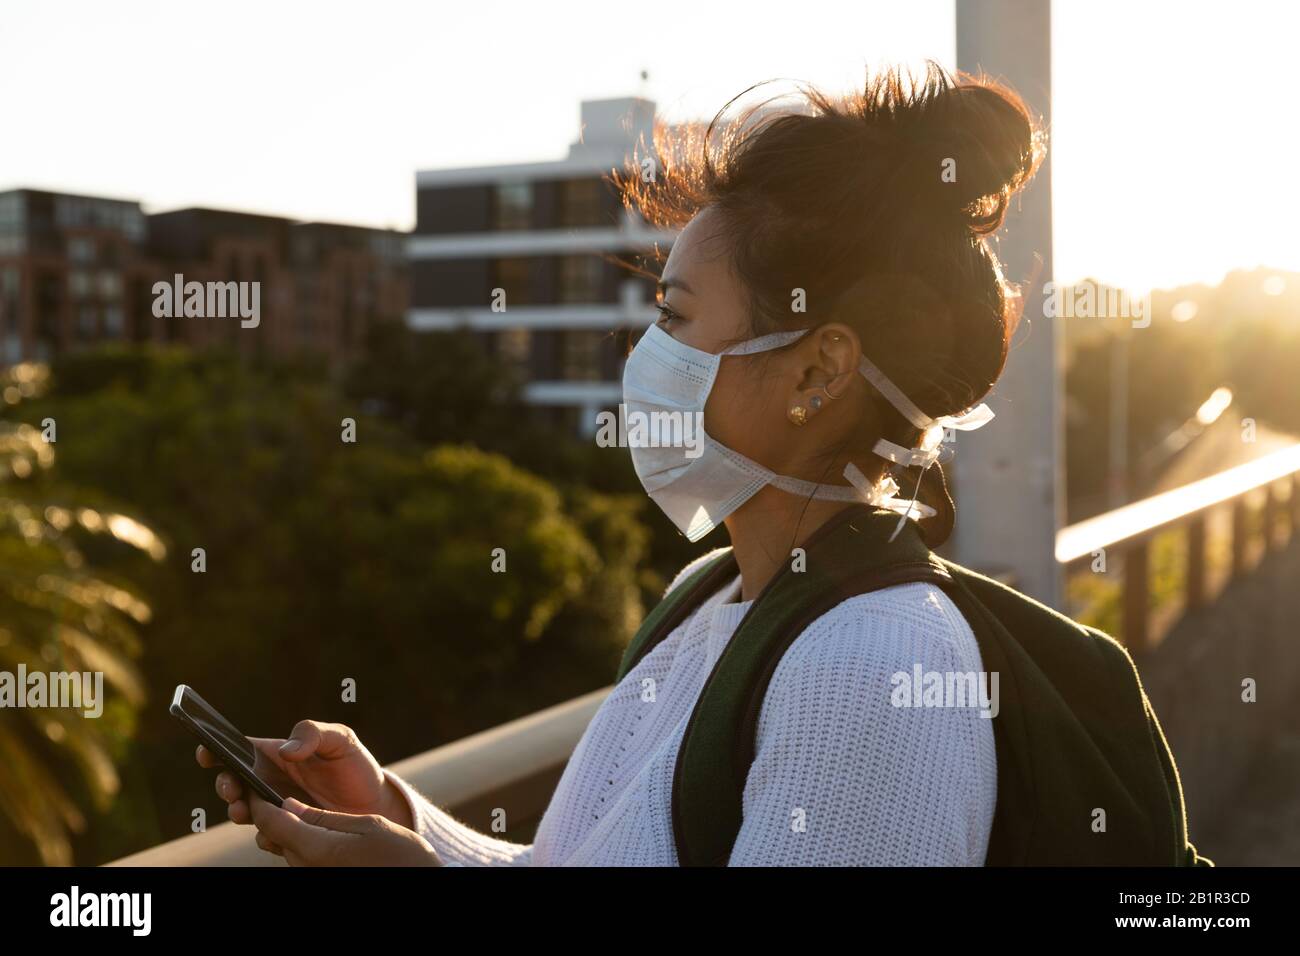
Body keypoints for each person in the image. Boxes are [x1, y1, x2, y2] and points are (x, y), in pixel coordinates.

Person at [200, 62, 1049, 865]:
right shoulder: (706, 594)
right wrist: (392, 814)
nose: (646, 352)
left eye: (675, 318)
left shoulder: (874, 668)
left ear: (818, 370)